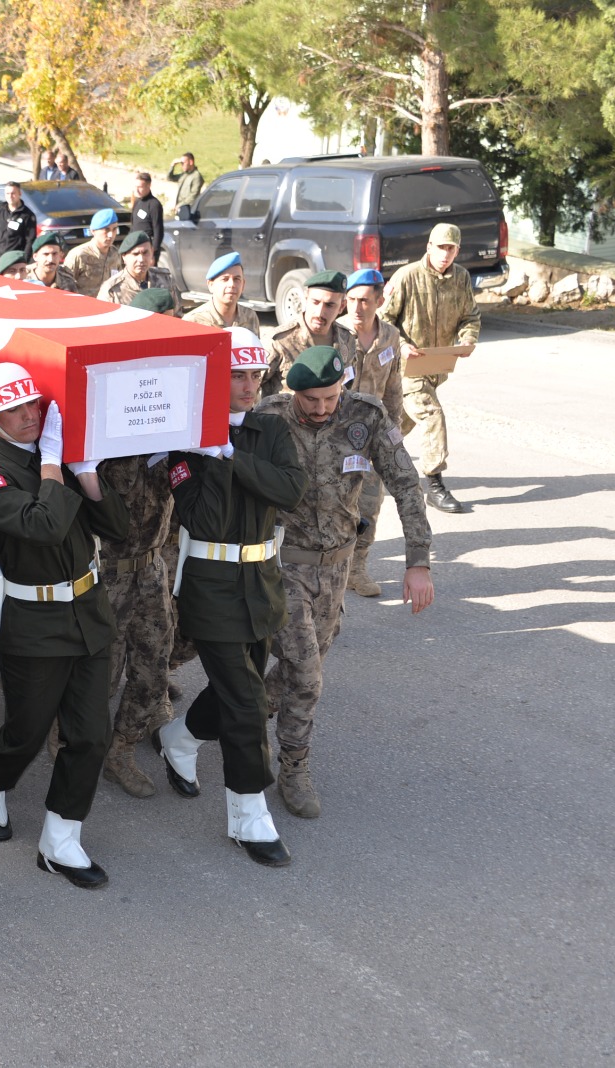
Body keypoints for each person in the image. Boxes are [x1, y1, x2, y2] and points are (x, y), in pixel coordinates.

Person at [0, 363, 129, 889]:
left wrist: (85, 472)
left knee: (90, 734)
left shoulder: (54, 457)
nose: (29, 416)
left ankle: (61, 838)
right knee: (28, 732)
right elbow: (46, 525)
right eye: (13, 409)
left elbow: (119, 528)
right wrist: (54, 462)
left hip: (87, 613)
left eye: (33, 404)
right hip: (33, 622)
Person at [251, 345, 432, 822]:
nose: (321, 408)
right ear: (293, 392)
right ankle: (293, 767)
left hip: (336, 568)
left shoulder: (364, 415)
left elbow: (407, 484)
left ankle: (235, 721)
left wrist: (418, 561)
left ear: (343, 387)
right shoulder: (266, 417)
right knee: (307, 675)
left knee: (295, 670)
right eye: (310, 400)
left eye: (329, 397)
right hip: (283, 565)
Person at [154, 329, 304, 866]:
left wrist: (231, 454)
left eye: (255, 375)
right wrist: (209, 452)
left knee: (237, 688)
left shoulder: (270, 428)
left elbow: (291, 490)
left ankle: (179, 737)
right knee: (246, 702)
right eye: (235, 376)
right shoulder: (184, 442)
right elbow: (203, 518)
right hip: (211, 586)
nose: (247, 386)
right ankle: (248, 815)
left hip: (261, 582)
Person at [92, 436, 177, 799]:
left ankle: (121, 750)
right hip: (104, 573)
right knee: (100, 675)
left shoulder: (176, 437)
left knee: (154, 672)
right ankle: (67, 734)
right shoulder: (100, 437)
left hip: (151, 570)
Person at [383, 222, 481, 514]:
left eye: (451, 248)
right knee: (431, 415)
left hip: (437, 367)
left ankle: (365, 465)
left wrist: (468, 339)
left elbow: (470, 317)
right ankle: (435, 485)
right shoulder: (407, 276)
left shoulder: (461, 278)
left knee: (399, 425)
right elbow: (384, 318)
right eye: (440, 247)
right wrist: (400, 345)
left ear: (457, 250)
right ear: (429, 247)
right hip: (406, 367)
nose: (445, 254)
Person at [339, 267, 407, 596]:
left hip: (372, 437)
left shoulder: (390, 337)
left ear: (379, 301)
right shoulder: (337, 336)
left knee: (370, 505)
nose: (356, 308)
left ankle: (358, 568)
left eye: (364, 300)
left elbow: (393, 387)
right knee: (334, 506)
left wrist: (392, 434)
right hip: (336, 437)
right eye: (351, 299)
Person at [264, 270, 356, 395]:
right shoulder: (279, 341)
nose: (319, 313)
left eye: (329, 305)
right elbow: (251, 386)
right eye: (315, 302)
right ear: (306, 298)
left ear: (341, 307)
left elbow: (347, 385)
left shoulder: (347, 339)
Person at [185, 252, 263, 334]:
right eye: (225, 279)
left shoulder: (250, 317)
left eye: (236, 279)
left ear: (243, 285)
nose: (231, 285)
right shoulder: (193, 321)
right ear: (211, 285)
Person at [98, 230, 177, 310]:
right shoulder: (112, 290)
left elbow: (177, 314)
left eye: (145, 253)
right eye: (135, 254)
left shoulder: (164, 279)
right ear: (124, 256)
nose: (141, 259)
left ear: (152, 252)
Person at [63, 210, 121, 298]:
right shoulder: (79, 255)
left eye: (114, 229)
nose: (111, 235)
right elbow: (64, 285)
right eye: (106, 230)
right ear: (93, 231)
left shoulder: (116, 254)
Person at [0, 182, 35, 258]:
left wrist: (24, 259)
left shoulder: (27, 215)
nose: (10, 196)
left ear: (20, 193)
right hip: (0, 258)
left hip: (16, 258)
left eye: (13, 193)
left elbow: (30, 241)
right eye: (7, 193)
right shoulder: (0, 211)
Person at [129, 171, 165, 255]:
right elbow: (133, 226)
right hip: (135, 246)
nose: (137, 190)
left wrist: (153, 252)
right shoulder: (137, 202)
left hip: (147, 249)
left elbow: (158, 231)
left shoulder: (154, 205)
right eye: (136, 187)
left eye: (140, 187)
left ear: (148, 186)